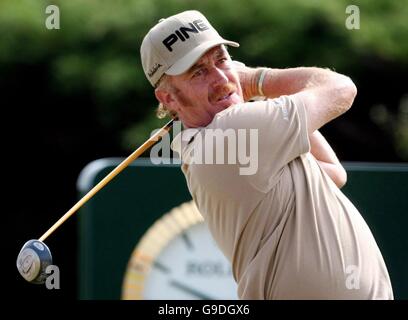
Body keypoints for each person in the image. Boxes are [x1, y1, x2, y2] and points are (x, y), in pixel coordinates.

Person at [140, 10, 393, 299]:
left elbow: (332, 172)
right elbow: (341, 89)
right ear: (169, 98)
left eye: (222, 59)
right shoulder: (232, 132)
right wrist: (256, 80)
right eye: (198, 72)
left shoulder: (243, 138)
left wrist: (254, 95)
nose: (222, 77)